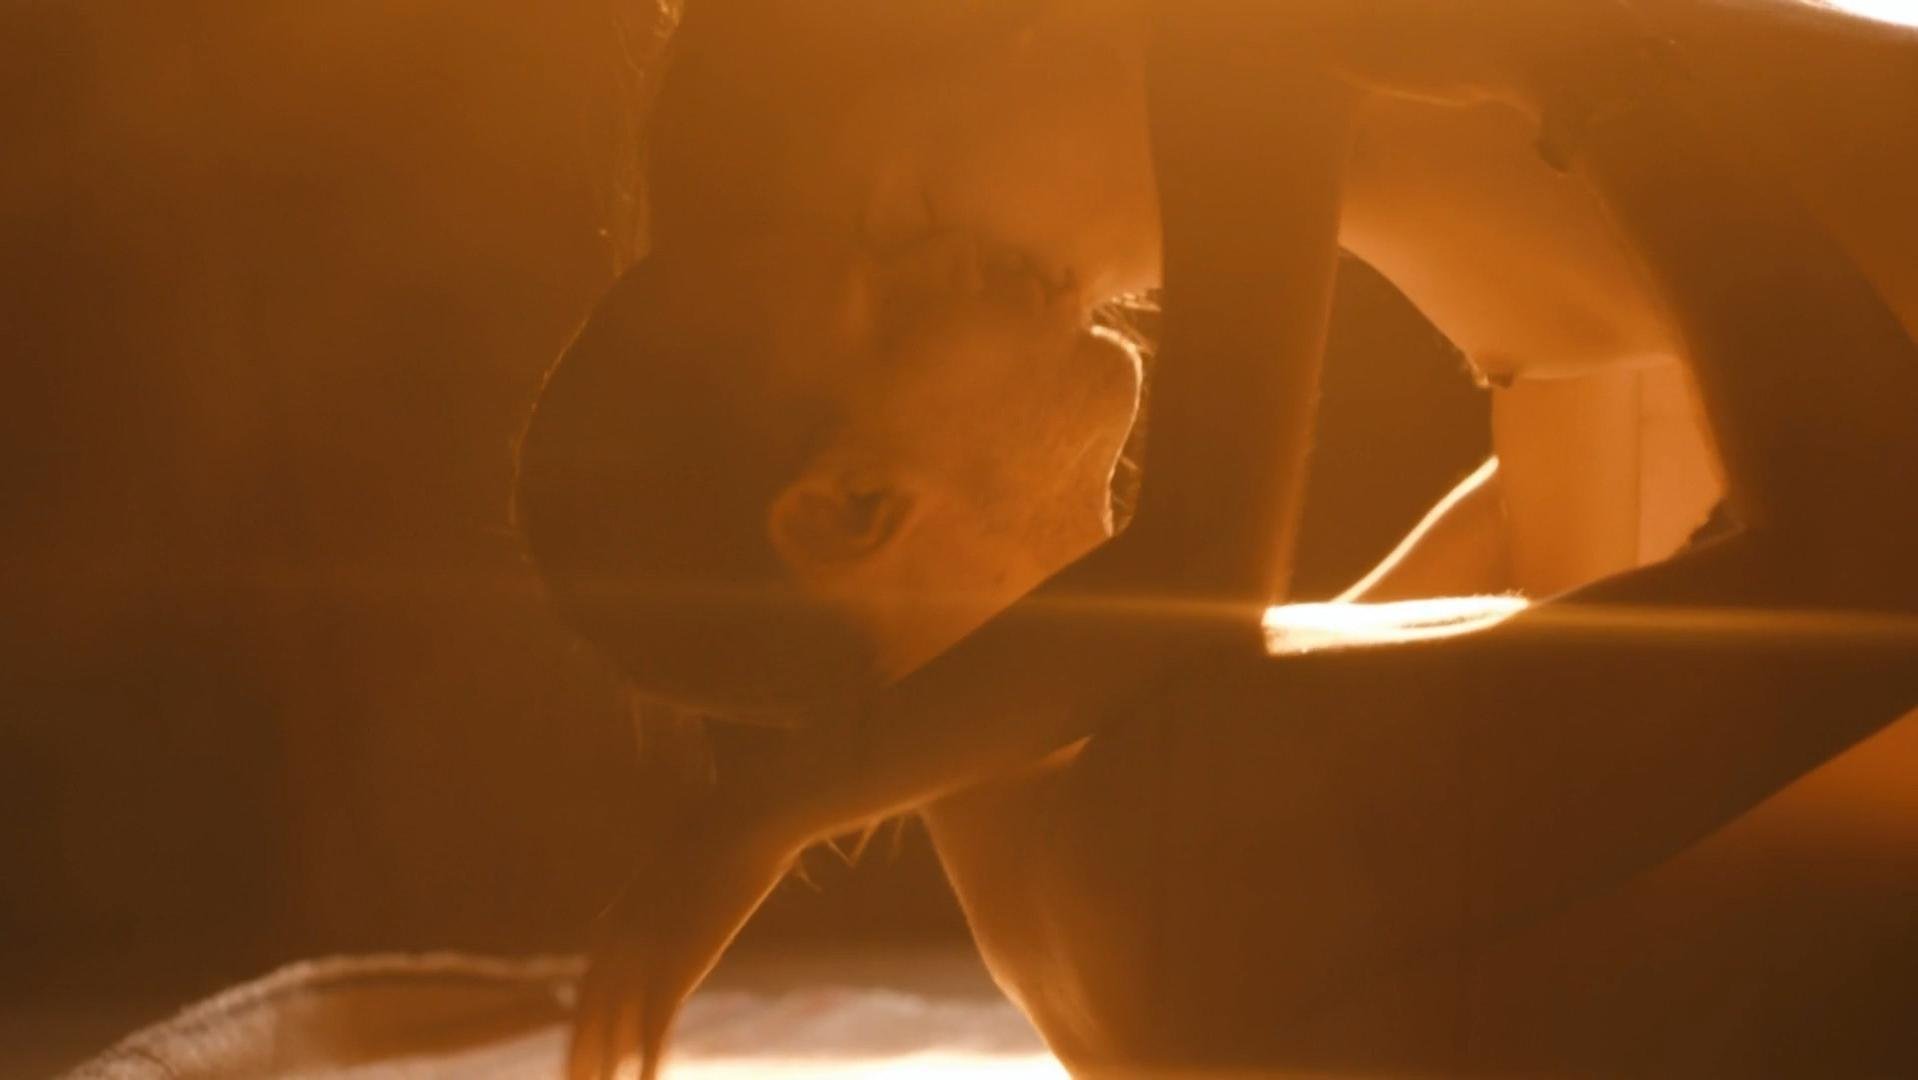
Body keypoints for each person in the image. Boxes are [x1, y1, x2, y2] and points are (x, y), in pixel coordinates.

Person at [513, 0, 1918, 1075]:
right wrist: (1590, 78)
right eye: (891, 285)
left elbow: (1525, 555)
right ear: (852, 507)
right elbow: (1875, 573)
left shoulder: (1074, 830)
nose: (961, 264)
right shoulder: (1184, 820)